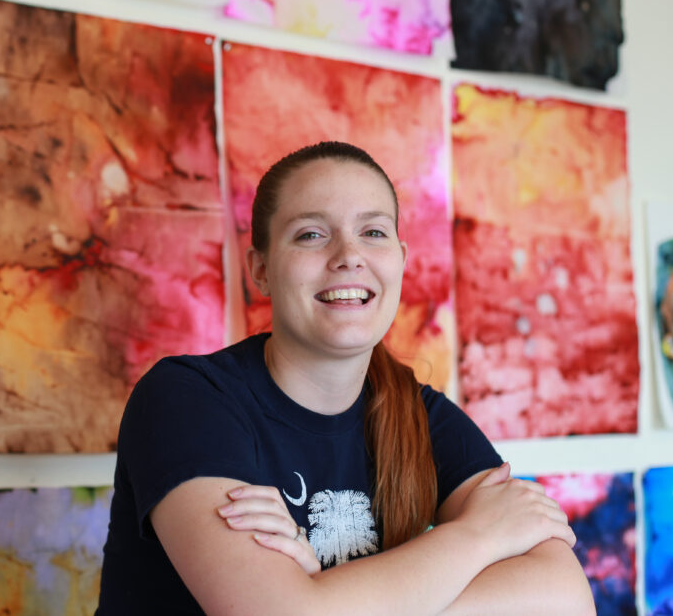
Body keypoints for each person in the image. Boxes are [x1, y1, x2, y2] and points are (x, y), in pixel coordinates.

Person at [97, 141, 595, 614]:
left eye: (373, 232)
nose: (348, 255)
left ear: (401, 258)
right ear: (261, 269)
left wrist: (327, 597)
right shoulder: (186, 401)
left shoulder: (423, 415)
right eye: (311, 234)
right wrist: (479, 536)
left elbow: (565, 597)